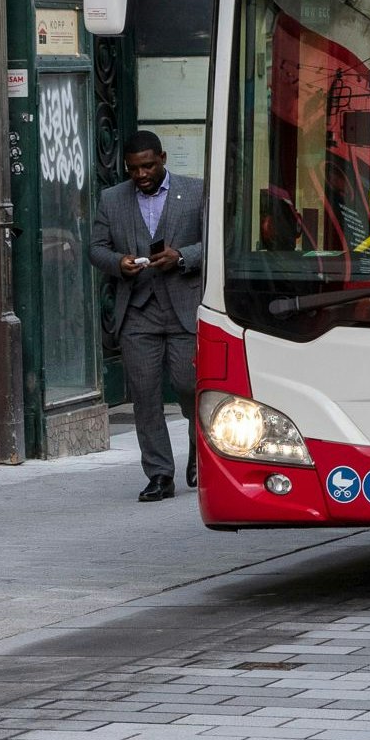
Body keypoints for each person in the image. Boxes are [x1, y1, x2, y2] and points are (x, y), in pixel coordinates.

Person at [94, 131, 206, 501]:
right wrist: (118, 263)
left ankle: (200, 452)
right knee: (144, 396)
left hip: (184, 309)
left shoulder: (195, 191)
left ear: (163, 158)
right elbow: (96, 248)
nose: (140, 174)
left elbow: (217, 240)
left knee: (191, 385)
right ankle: (159, 473)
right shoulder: (112, 199)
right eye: (133, 169)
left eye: (147, 166)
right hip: (138, 311)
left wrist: (184, 256)